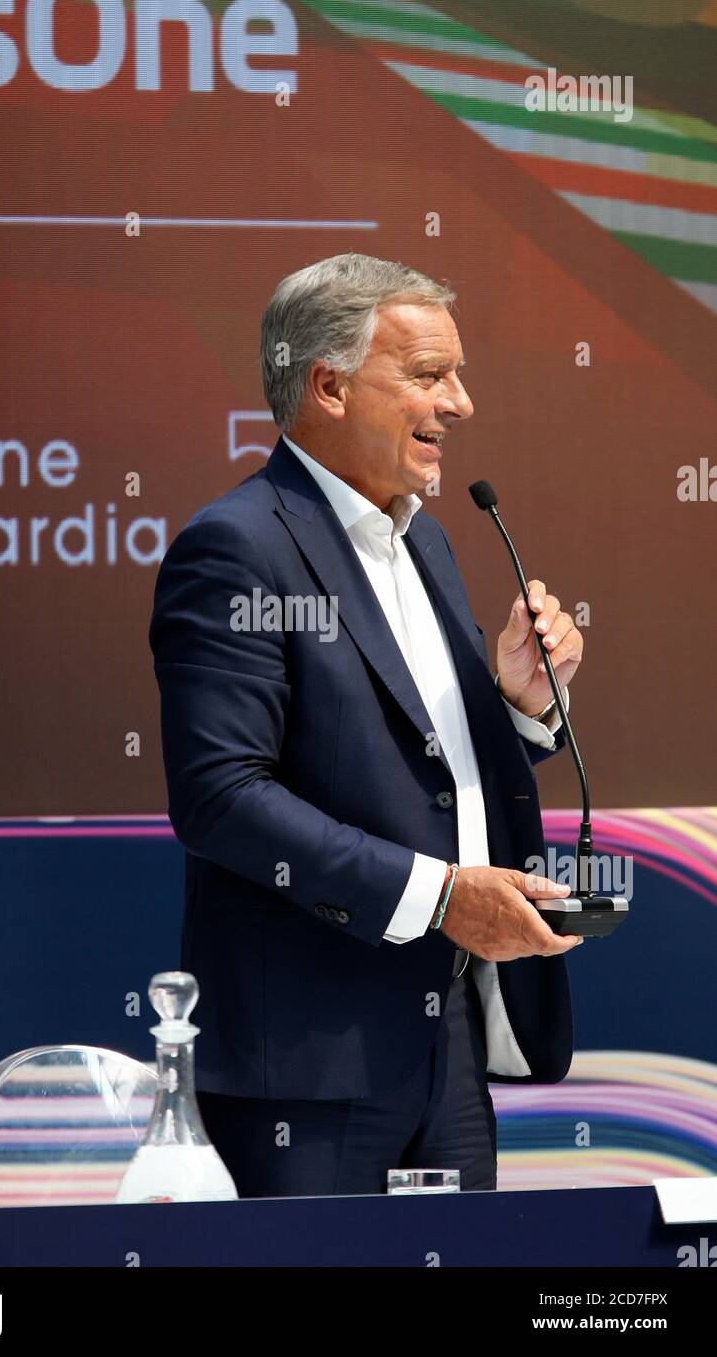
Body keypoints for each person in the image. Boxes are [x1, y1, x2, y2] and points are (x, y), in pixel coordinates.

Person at [149, 254, 584, 1197]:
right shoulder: (238, 547)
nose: (460, 403)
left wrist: (517, 705)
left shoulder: (422, 535)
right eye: (429, 375)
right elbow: (220, 799)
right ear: (330, 385)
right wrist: (438, 899)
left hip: (447, 1047)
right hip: (305, 1070)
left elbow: (427, 771)